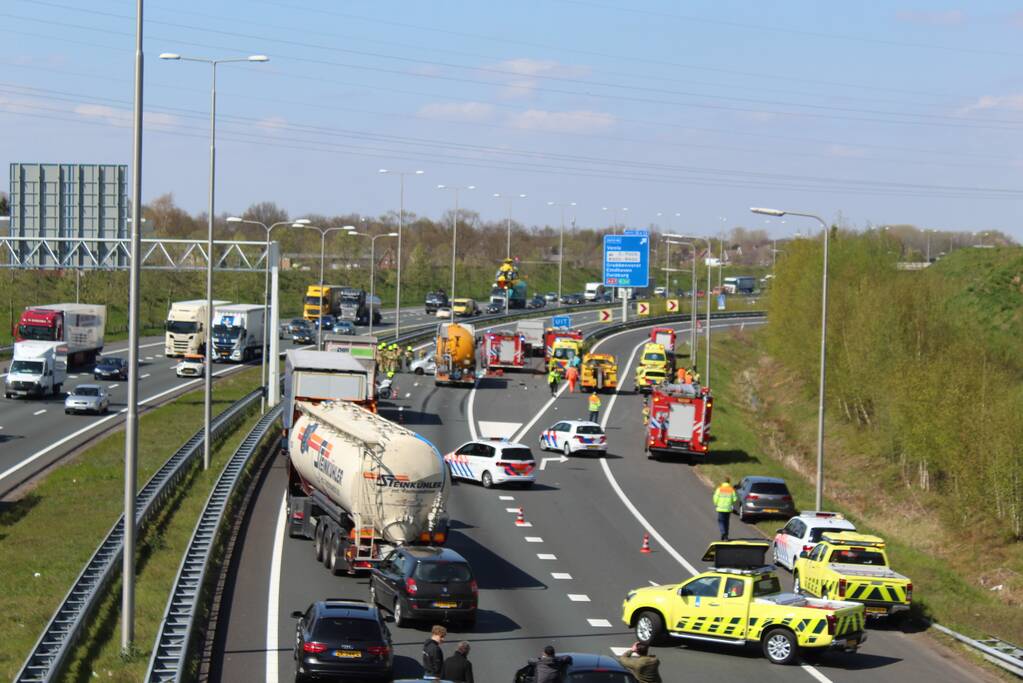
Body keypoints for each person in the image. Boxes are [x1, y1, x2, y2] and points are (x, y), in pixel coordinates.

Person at [713, 476, 738, 540]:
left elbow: (715, 498)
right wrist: (730, 502)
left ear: (723, 482)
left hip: (721, 508)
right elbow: (735, 499)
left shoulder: (719, 489)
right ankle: (726, 536)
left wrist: (716, 504)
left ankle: (723, 532)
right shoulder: (731, 489)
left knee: (721, 521)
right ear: (729, 482)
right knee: (726, 522)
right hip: (728, 509)